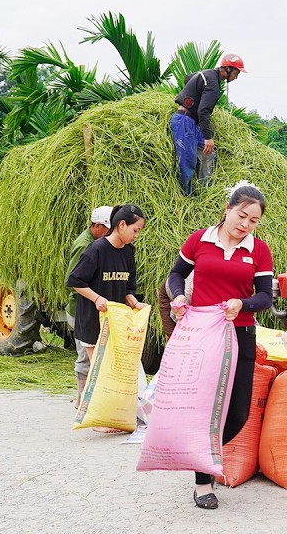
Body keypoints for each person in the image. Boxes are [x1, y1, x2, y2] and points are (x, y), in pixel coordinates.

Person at [166, 181, 273, 510]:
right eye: (241, 216)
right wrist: (178, 296)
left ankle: (201, 455)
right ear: (227, 210)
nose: (245, 225)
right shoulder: (200, 240)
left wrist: (243, 304)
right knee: (203, 407)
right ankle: (202, 480)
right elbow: (175, 275)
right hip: (201, 335)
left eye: (253, 221)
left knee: (238, 411)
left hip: (239, 334)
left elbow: (265, 297)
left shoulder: (259, 250)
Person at [67, 204, 147, 432]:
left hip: (116, 322)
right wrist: (96, 299)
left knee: (114, 369)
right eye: (135, 230)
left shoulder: (128, 252)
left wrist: (134, 303)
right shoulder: (96, 250)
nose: (136, 235)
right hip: (93, 320)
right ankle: (100, 419)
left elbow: (127, 288)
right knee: (100, 369)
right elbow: (75, 281)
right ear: (121, 225)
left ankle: (115, 415)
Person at [170, 54, 245, 195]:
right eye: (236, 73)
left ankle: (205, 191)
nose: (236, 77)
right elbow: (203, 111)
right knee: (187, 163)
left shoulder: (207, 74)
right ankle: (185, 198)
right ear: (227, 69)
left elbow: (188, 78)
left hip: (191, 121)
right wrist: (208, 137)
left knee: (209, 153)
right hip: (184, 122)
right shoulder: (213, 85)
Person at [66, 205, 112, 406]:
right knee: (85, 355)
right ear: (97, 226)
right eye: (107, 229)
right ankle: (82, 399)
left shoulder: (100, 244)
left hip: (96, 309)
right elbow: (73, 280)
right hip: (80, 310)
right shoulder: (84, 245)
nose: (110, 233)